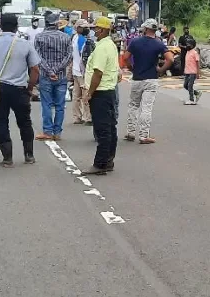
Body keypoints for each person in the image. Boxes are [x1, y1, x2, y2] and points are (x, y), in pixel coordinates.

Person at [0, 15, 42, 168]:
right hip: (19, 89)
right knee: (25, 122)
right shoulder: (25, 44)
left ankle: (7, 158)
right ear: (16, 26)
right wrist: (30, 87)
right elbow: (35, 69)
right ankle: (29, 155)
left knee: (0, 122)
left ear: (0, 25)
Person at [79, 17, 120, 176]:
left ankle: (100, 164)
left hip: (100, 92)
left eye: (96, 28)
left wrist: (89, 93)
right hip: (108, 91)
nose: (94, 30)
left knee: (102, 130)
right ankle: (108, 160)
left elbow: (98, 73)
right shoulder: (110, 45)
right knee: (110, 127)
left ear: (102, 30)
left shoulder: (102, 48)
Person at [124, 19, 173, 143]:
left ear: (145, 29)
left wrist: (131, 68)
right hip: (151, 79)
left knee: (133, 105)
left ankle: (130, 132)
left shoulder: (135, 42)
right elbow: (170, 59)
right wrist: (161, 70)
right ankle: (143, 135)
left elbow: (125, 58)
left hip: (137, 78)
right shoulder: (158, 44)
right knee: (146, 108)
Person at [34, 13, 73, 141]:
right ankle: (57, 132)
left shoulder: (39, 37)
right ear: (57, 23)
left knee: (46, 104)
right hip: (61, 76)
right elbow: (69, 57)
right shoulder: (66, 37)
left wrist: (50, 71)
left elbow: (38, 58)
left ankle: (48, 131)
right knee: (60, 106)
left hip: (45, 76)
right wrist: (57, 70)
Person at [182, 37, 202, 105]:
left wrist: (198, 73)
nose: (187, 45)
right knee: (185, 85)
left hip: (193, 72)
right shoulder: (187, 52)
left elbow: (197, 63)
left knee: (190, 86)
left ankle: (192, 100)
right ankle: (197, 93)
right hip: (187, 71)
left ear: (192, 45)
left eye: (188, 44)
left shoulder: (195, 53)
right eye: (186, 44)